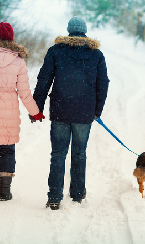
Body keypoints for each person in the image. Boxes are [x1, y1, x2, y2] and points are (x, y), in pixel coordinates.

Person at [33, 17, 109, 210]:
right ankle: (76, 194)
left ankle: (54, 197)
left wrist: (36, 107)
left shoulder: (55, 51)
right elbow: (103, 85)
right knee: (79, 154)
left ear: (69, 31)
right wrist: (96, 111)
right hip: (84, 113)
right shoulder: (96, 54)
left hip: (60, 109)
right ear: (85, 31)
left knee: (58, 154)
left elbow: (44, 80)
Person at [0, 22, 45, 202]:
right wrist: (35, 112)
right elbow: (24, 92)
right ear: (11, 38)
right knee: (7, 151)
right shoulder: (18, 61)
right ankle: (5, 191)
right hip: (9, 112)